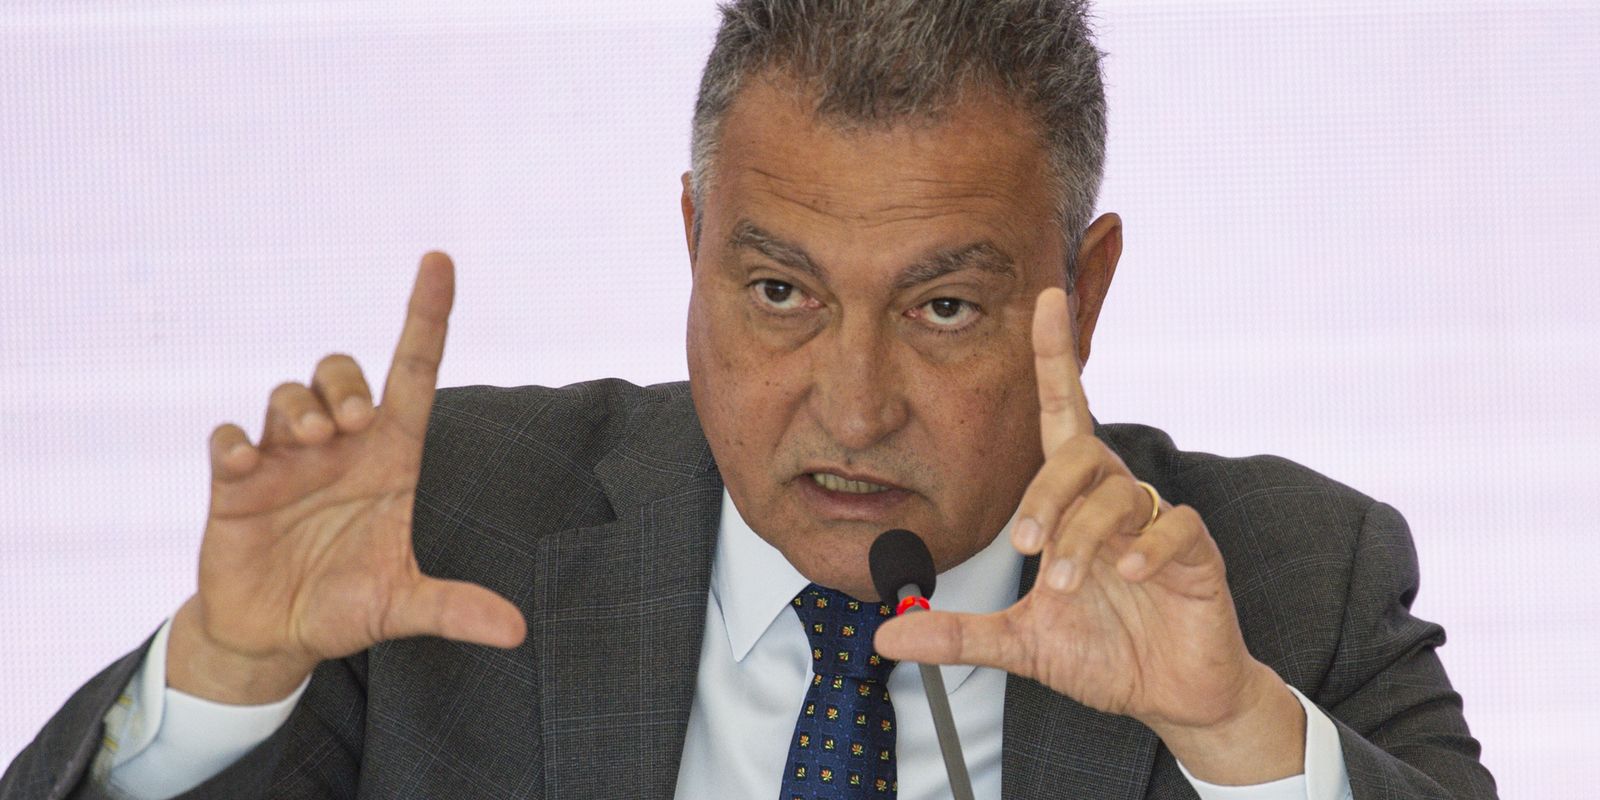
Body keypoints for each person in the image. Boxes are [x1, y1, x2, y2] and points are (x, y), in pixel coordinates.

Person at [2, 1, 1496, 798]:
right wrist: (224, 675)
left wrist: (1237, 739)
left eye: (944, 308)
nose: (853, 407)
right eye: (780, 292)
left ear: (1080, 292)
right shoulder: (448, 528)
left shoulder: (1293, 583)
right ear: (693, 245)